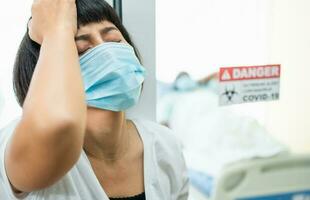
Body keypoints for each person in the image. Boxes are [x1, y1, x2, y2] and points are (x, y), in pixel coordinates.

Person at [0, 0, 189, 199]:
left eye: (114, 40)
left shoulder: (165, 146)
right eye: (82, 50)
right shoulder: (15, 143)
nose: (108, 54)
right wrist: (57, 28)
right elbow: (58, 123)